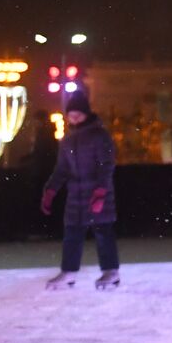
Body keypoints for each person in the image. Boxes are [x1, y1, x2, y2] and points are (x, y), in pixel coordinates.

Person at [41, 90, 120, 290]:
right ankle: (69, 272)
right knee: (72, 234)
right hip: (75, 196)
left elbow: (107, 164)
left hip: (96, 194)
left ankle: (111, 272)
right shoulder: (67, 140)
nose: (74, 117)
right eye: (71, 114)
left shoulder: (100, 136)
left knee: (103, 232)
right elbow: (62, 169)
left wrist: (101, 191)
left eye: (78, 113)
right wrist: (51, 190)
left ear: (86, 114)